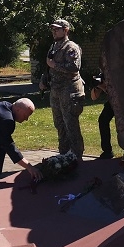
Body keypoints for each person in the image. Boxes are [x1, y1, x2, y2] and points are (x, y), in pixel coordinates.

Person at [46, 19, 86, 159]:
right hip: (56, 90)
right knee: (59, 124)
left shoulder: (71, 47)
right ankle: (64, 154)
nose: (54, 32)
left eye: (57, 29)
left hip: (70, 91)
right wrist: (44, 80)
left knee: (71, 124)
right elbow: (49, 66)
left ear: (66, 30)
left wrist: (54, 65)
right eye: (53, 29)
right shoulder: (54, 46)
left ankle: (76, 155)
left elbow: (74, 68)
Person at [91, 69, 115, 159]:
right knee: (103, 120)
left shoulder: (115, 73)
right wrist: (98, 86)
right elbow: (93, 97)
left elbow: (115, 92)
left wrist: (105, 87)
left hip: (122, 101)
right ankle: (107, 151)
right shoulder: (103, 75)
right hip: (112, 102)